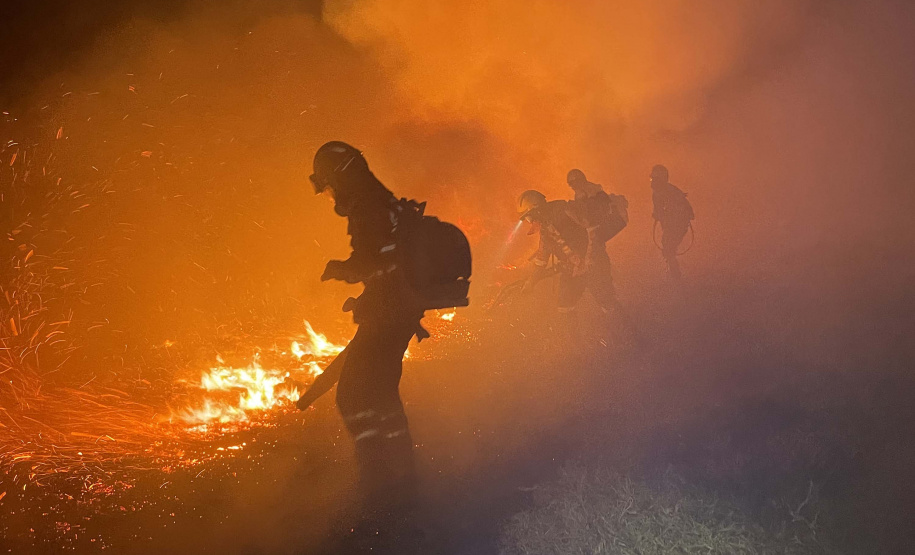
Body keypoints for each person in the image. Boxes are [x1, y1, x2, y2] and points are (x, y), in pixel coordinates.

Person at [297, 141, 423, 533]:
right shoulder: (374, 202)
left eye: (330, 186)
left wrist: (343, 269)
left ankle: (379, 488)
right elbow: (389, 263)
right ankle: (401, 482)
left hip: (393, 314)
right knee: (380, 394)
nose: (330, 195)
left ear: (341, 177)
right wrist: (365, 299)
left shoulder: (368, 208)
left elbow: (380, 259)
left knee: (354, 395)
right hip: (395, 310)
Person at [517, 189, 621, 321]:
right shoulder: (545, 229)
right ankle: (573, 340)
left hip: (594, 263)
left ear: (536, 209)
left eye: (528, 217)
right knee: (564, 307)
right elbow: (541, 260)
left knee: (607, 303)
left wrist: (588, 260)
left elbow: (592, 231)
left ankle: (624, 334)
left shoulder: (565, 211)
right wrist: (531, 282)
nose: (529, 221)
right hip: (573, 270)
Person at [650, 164, 694, 281]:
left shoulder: (671, 192)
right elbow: (659, 209)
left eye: (655, 178)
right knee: (668, 247)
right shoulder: (657, 193)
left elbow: (684, 211)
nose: (652, 181)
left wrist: (665, 216)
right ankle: (673, 272)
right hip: (670, 225)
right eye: (652, 178)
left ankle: (675, 276)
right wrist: (658, 215)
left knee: (668, 248)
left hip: (678, 225)